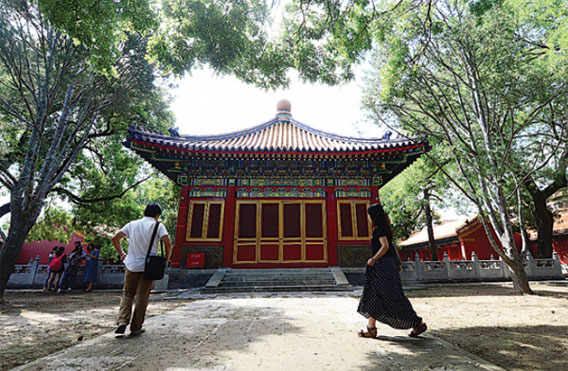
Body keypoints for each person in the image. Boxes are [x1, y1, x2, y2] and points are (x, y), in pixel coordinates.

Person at [357, 204, 427, 338]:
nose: (368, 218)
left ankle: (417, 323)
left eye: (369, 215)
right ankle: (371, 329)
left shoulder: (379, 230)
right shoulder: (384, 228)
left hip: (383, 267)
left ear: (373, 215)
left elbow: (385, 247)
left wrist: (373, 258)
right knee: (376, 296)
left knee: (391, 297)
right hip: (385, 267)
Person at [111, 203, 172, 337]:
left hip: (131, 264)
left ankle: (122, 320)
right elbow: (168, 243)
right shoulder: (158, 225)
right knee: (142, 296)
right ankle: (136, 327)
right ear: (157, 215)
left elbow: (114, 238)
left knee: (127, 294)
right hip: (148, 267)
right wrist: (166, 260)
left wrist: (122, 253)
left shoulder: (132, 224)